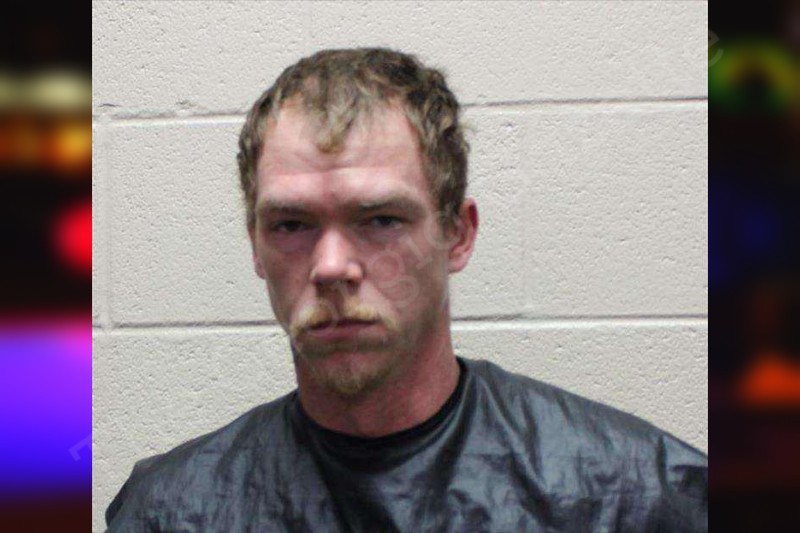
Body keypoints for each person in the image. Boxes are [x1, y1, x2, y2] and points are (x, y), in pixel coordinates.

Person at [105, 48, 707, 532]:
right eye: (291, 225)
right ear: (256, 247)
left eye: (380, 219)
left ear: (458, 234)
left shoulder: (638, 495)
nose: (331, 267)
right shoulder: (172, 512)